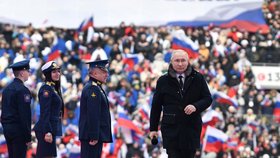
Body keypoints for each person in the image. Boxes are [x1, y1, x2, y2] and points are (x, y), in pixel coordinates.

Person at [149, 49, 212, 158]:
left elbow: (207, 99)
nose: (180, 64)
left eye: (183, 60)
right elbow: (156, 106)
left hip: (191, 129)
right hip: (171, 130)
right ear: (171, 62)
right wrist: (153, 128)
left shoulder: (198, 78)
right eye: (177, 61)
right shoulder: (163, 81)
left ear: (188, 61)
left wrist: (195, 106)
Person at [79, 59, 113, 158]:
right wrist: (94, 135)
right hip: (91, 136)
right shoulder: (92, 88)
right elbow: (93, 114)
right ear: (94, 73)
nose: (107, 74)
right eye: (104, 72)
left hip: (94, 135)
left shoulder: (96, 87)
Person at [1, 59, 32, 158]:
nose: (29, 73)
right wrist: (28, 137)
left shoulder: (6, 90)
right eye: (27, 71)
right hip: (19, 130)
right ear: (22, 73)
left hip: (7, 129)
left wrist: (6, 127)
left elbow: (3, 112)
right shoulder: (23, 90)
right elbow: (25, 115)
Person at [33, 61, 64, 158]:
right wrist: (48, 131)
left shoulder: (52, 88)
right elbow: (45, 112)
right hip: (46, 129)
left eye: (58, 71)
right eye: (54, 72)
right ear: (48, 74)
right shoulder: (46, 89)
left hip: (51, 128)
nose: (57, 74)